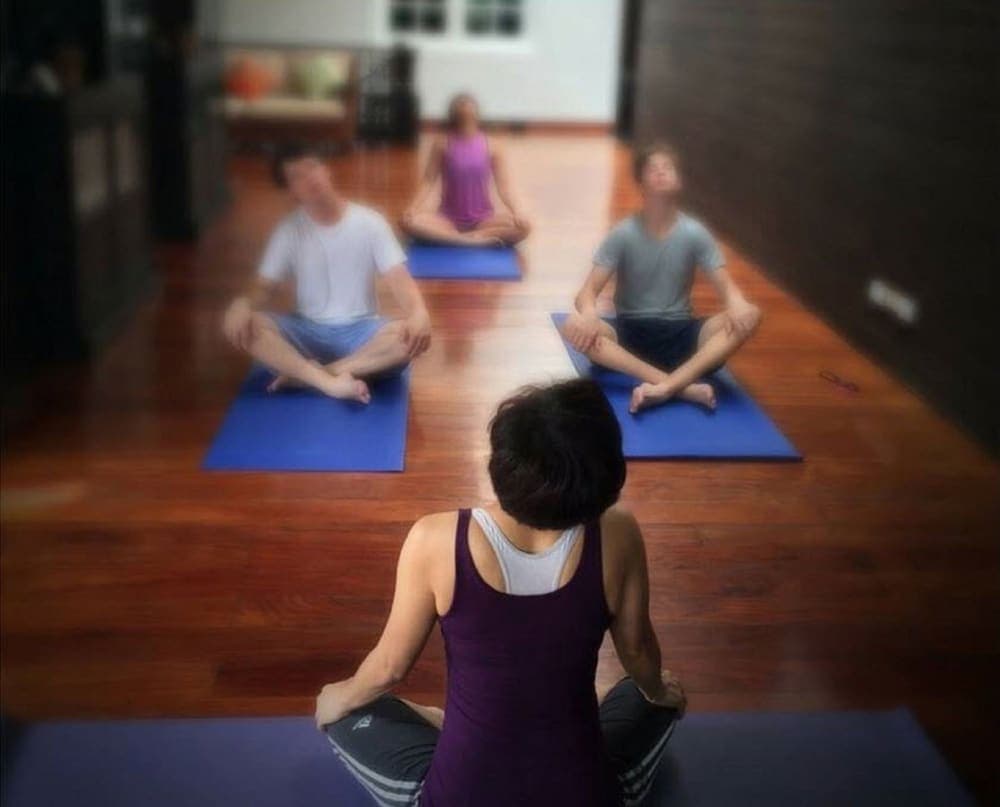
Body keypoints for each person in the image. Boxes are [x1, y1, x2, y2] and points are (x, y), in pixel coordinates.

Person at [315, 379, 686, 806]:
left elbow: (389, 668)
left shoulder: (435, 538)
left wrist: (337, 699)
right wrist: (659, 693)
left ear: (501, 463)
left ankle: (441, 721)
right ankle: (455, 719)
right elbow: (637, 652)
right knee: (650, 690)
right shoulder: (619, 533)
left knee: (349, 706)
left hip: (456, 797)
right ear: (607, 471)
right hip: (591, 796)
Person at [222, 144, 431, 403]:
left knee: (406, 339)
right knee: (247, 325)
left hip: (361, 331)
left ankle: (308, 376)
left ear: (326, 170)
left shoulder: (370, 223)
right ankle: (330, 383)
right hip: (307, 330)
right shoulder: (288, 230)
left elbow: (399, 280)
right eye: (297, 176)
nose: (309, 178)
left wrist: (419, 312)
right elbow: (263, 285)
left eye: (312, 168)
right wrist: (241, 304)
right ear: (291, 191)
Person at [561, 142, 762, 413]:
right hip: (631, 334)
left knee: (751, 315)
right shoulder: (623, 234)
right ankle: (684, 388)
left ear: (679, 182)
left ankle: (665, 388)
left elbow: (727, 289)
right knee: (573, 328)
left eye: (667, 167)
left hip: (682, 335)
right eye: (652, 168)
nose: (660, 171)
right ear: (640, 183)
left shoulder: (695, 233)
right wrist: (588, 313)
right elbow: (587, 292)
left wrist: (738, 304)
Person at [401, 93, 531, 247]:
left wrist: (517, 212)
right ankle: (463, 239)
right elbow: (428, 181)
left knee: (524, 228)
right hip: (447, 220)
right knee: (408, 223)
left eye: (469, 114)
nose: (466, 119)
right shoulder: (442, 144)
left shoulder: (493, 146)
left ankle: (470, 237)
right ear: (453, 117)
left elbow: (504, 187)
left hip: (483, 221)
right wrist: (412, 209)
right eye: (461, 115)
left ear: (477, 116)